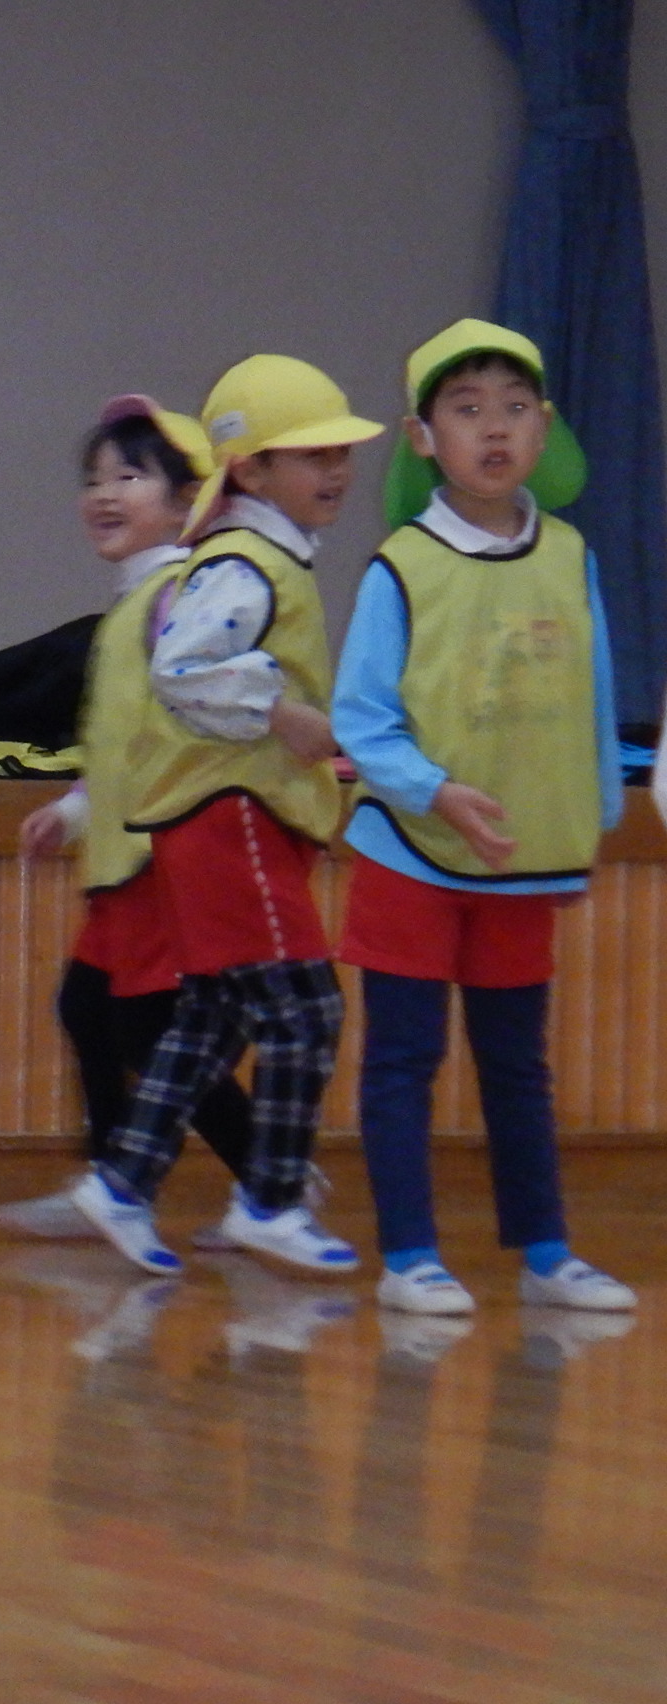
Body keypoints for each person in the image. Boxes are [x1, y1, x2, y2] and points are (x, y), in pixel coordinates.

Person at [335, 319, 636, 1315]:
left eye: (513, 408)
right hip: (410, 853)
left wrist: (586, 821)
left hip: (518, 861)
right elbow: (361, 719)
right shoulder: (400, 566)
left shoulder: (572, 554)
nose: (493, 428)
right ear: (423, 439)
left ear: (543, 429)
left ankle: (546, 1253)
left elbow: (592, 697)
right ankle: (410, 1258)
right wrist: (433, 791)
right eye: (466, 410)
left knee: (516, 1064)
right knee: (403, 1061)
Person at [73, 355, 375, 1277]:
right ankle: (272, 1199)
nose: (335, 470)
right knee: (307, 1011)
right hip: (229, 813)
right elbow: (184, 667)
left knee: (207, 1018)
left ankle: (122, 1182)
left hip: (227, 816)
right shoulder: (244, 563)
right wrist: (282, 713)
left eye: (339, 453)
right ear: (251, 469)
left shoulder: (260, 558)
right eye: (311, 454)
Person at [0, 397, 258, 1239]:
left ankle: (266, 1180)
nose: (105, 493)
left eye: (131, 476)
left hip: (161, 860)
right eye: (95, 479)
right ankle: (121, 1183)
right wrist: (74, 809)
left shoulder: (179, 600)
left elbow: (200, 729)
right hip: (125, 860)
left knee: (148, 1029)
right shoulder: (133, 605)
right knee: (91, 1008)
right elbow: (120, 741)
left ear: (187, 500)